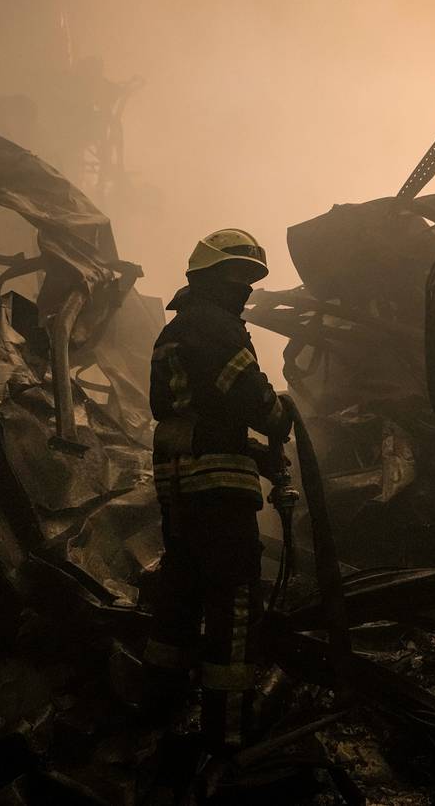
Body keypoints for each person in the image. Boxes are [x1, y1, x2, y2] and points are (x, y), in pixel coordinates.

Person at [142, 228, 291, 752]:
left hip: (179, 486)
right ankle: (226, 734)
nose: (244, 289)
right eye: (236, 276)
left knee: (180, 590)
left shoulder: (176, 331)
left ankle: (157, 708)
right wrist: (280, 417)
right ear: (208, 278)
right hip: (219, 490)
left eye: (250, 278)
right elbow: (254, 400)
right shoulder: (220, 327)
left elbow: (184, 410)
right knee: (235, 600)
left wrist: (252, 451)